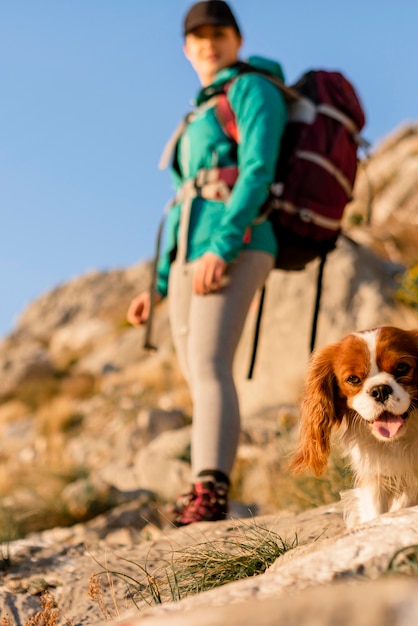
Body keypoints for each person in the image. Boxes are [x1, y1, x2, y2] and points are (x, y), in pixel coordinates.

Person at [127, 0, 287, 525]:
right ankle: (204, 487)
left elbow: (258, 169)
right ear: (185, 48)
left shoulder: (253, 88)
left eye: (219, 33)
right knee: (199, 375)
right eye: (197, 37)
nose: (209, 43)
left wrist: (225, 242)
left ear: (237, 40)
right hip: (186, 256)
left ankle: (210, 494)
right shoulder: (199, 109)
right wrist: (157, 284)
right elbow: (184, 197)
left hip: (238, 239)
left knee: (210, 365)